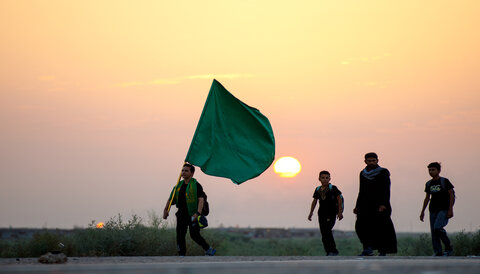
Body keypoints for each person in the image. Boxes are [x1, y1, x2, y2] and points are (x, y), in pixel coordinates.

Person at [163, 163, 216, 256]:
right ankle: (181, 254)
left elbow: (201, 200)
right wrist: (165, 210)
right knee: (180, 234)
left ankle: (208, 249)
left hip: (192, 214)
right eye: (182, 171)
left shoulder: (196, 185)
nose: (183, 172)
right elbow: (171, 199)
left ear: (192, 173)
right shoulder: (178, 186)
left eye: (186, 171)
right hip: (181, 214)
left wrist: (197, 213)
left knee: (194, 235)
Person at [353, 152, 397, 256]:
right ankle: (367, 249)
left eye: (374, 160)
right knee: (361, 226)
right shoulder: (362, 173)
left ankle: (383, 251)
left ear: (377, 160)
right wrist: (357, 206)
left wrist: (383, 204)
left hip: (380, 205)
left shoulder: (383, 172)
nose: (372, 162)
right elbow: (361, 190)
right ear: (365, 162)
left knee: (381, 228)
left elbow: (386, 189)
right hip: (365, 205)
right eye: (369, 161)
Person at [419, 162, 455, 256]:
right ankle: (438, 251)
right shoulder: (429, 183)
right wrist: (422, 211)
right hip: (433, 209)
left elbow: (451, 195)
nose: (431, 172)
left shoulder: (444, 181)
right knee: (434, 232)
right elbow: (427, 198)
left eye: (433, 170)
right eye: (429, 170)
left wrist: (450, 209)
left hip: (443, 209)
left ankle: (448, 247)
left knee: (438, 227)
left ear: (439, 170)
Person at [308, 170, 344, 256]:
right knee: (324, 233)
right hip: (321, 214)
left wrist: (340, 212)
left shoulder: (333, 188)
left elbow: (339, 199)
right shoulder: (318, 189)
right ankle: (328, 251)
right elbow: (315, 201)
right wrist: (311, 212)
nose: (325, 179)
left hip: (331, 213)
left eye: (327, 178)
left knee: (327, 231)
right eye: (323, 178)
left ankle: (333, 250)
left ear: (330, 179)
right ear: (319, 179)